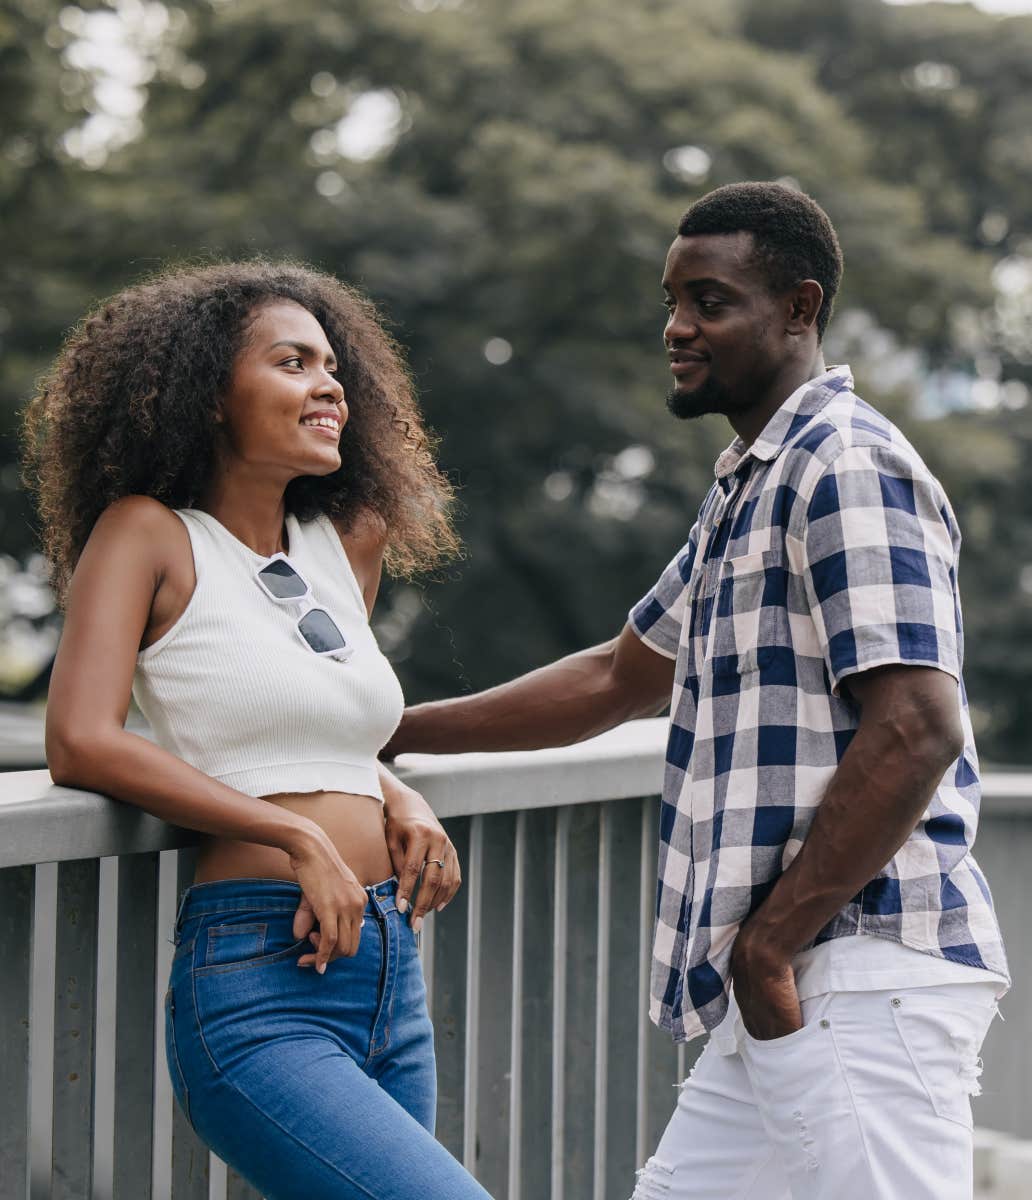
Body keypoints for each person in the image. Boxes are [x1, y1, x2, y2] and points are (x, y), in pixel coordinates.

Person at [382, 183, 1010, 1199]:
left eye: (709, 302)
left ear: (800, 309)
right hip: (786, 980)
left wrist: (771, 943)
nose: (677, 328)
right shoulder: (750, 486)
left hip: (855, 968)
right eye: (671, 302)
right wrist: (391, 730)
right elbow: (615, 677)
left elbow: (917, 727)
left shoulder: (844, 464)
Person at [26, 262, 494, 1200]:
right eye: (292, 362)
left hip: (386, 966)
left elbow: (328, 726)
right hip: (258, 985)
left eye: (333, 368)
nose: (329, 387)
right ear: (206, 395)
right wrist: (293, 830)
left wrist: (393, 791)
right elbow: (80, 739)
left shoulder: (340, 541)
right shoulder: (149, 535)